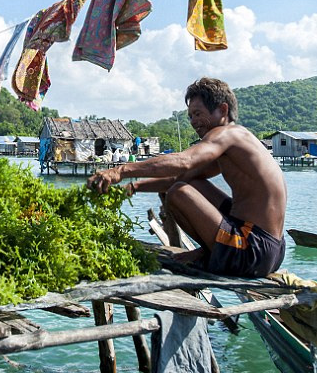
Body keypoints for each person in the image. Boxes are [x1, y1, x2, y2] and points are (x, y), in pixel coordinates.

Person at [87, 77, 287, 278]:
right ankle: (208, 250)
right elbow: (181, 176)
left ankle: (211, 252)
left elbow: (184, 161)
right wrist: (135, 187)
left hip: (252, 251)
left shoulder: (227, 134)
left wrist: (120, 171)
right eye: (190, 116)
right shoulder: (237, 141)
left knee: (177, 193)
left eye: (198, 114)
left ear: (222, 110)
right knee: (191, 183)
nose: (193, 122)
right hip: (271, 250)